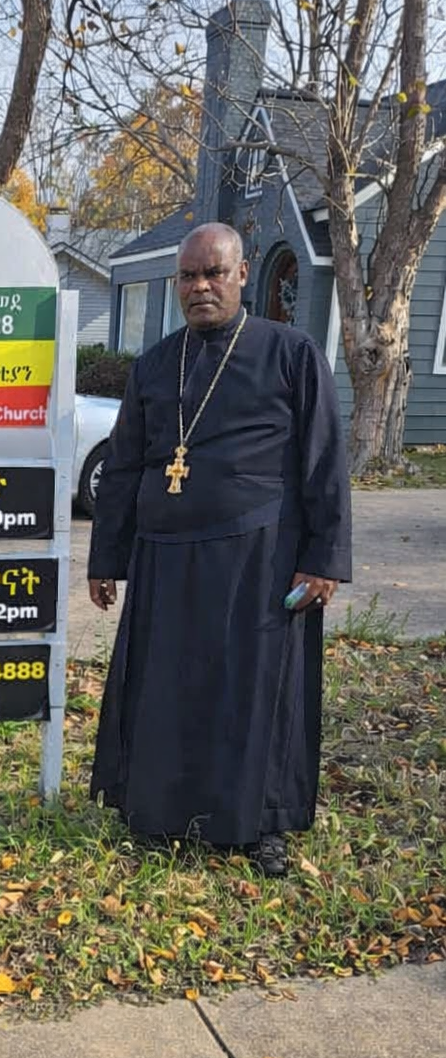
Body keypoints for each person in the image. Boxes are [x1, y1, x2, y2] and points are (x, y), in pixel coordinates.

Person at [87, 223, 351, 877]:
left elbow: (324, 462)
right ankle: (156, 812)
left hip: (259, 559)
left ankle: (259, 825)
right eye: (188, 275)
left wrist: (324, 558)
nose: (199, 286)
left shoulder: (291, 353)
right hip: (164, 558)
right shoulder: (155, 363)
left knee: (256, 694)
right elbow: (124, 467)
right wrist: (106, 558)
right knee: (165, 689)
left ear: (242, 274)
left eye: (213, 272)